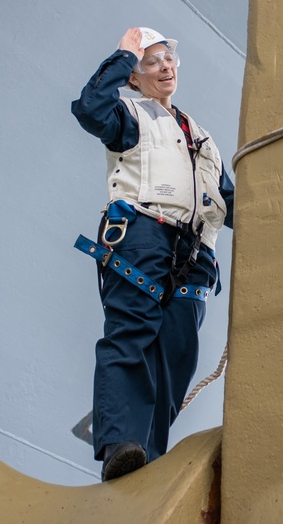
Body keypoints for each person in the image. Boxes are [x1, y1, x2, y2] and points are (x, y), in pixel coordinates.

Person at [71, 26, 234, 479]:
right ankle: (121, 444)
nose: (164, 66)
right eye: (151, 61)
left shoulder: (201, 137)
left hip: (195, 257)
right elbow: (90, 110)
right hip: (142, 233)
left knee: (178, 355)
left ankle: (148, 457)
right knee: (132, 333)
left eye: (168, 59)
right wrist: (124, 55)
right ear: (134, 78)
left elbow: (230, 201)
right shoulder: (126, 114)